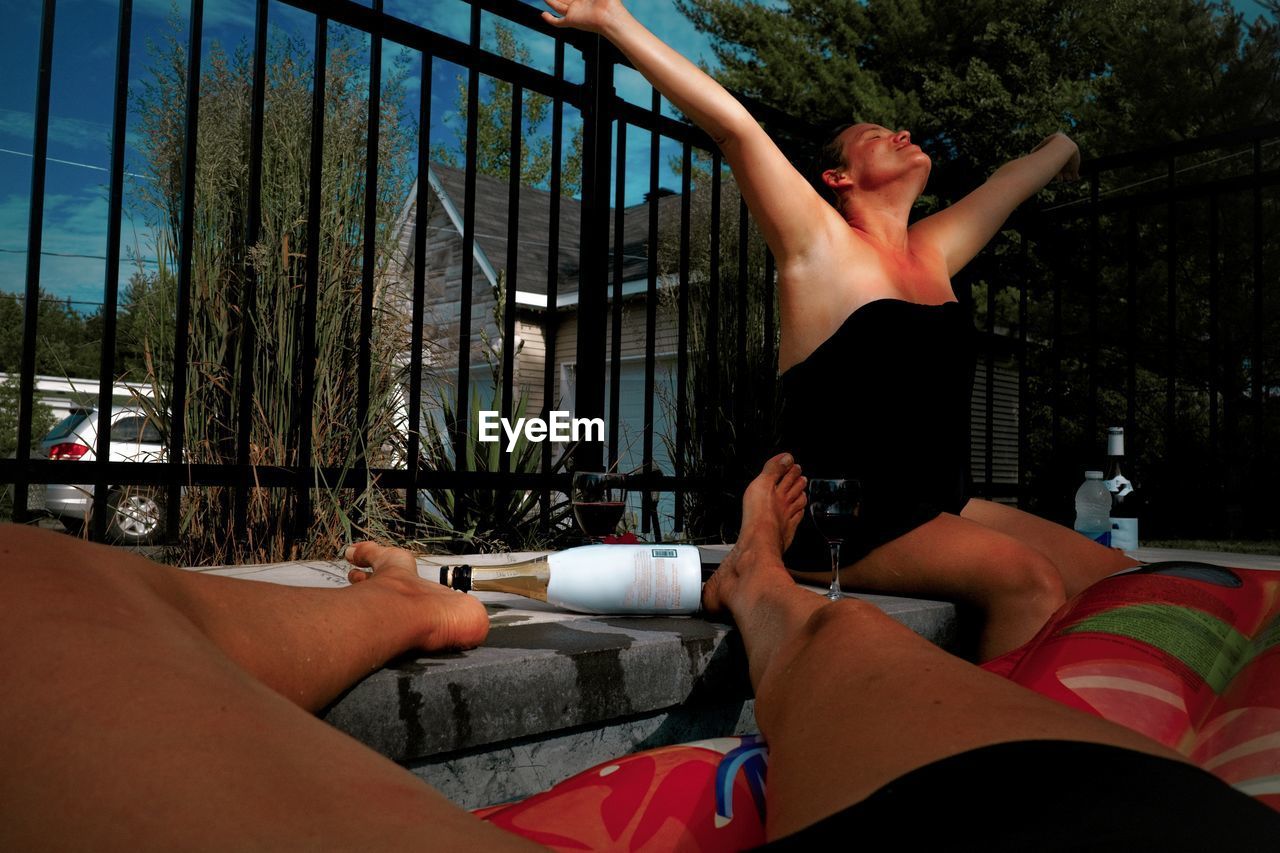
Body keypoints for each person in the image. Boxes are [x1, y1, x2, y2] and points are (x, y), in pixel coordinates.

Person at [3, 455, 1278, 850]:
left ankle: (419, 606)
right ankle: (763, 589)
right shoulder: (831, 235)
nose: (894, 136)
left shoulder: (918, 250)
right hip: (1079, 824)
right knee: (864, 637)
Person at [540, 0, 1137, 661]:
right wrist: (612, 19)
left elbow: (1008, 184)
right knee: (1029, 581)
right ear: (838, 177)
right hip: (843, 520)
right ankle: (993, 749)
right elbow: (735, 128)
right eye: (877, 134)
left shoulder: (931, 249)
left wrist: (1063, 146)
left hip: (940, 508)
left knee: (1118, 582)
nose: (902, 132)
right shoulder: (818, 245)